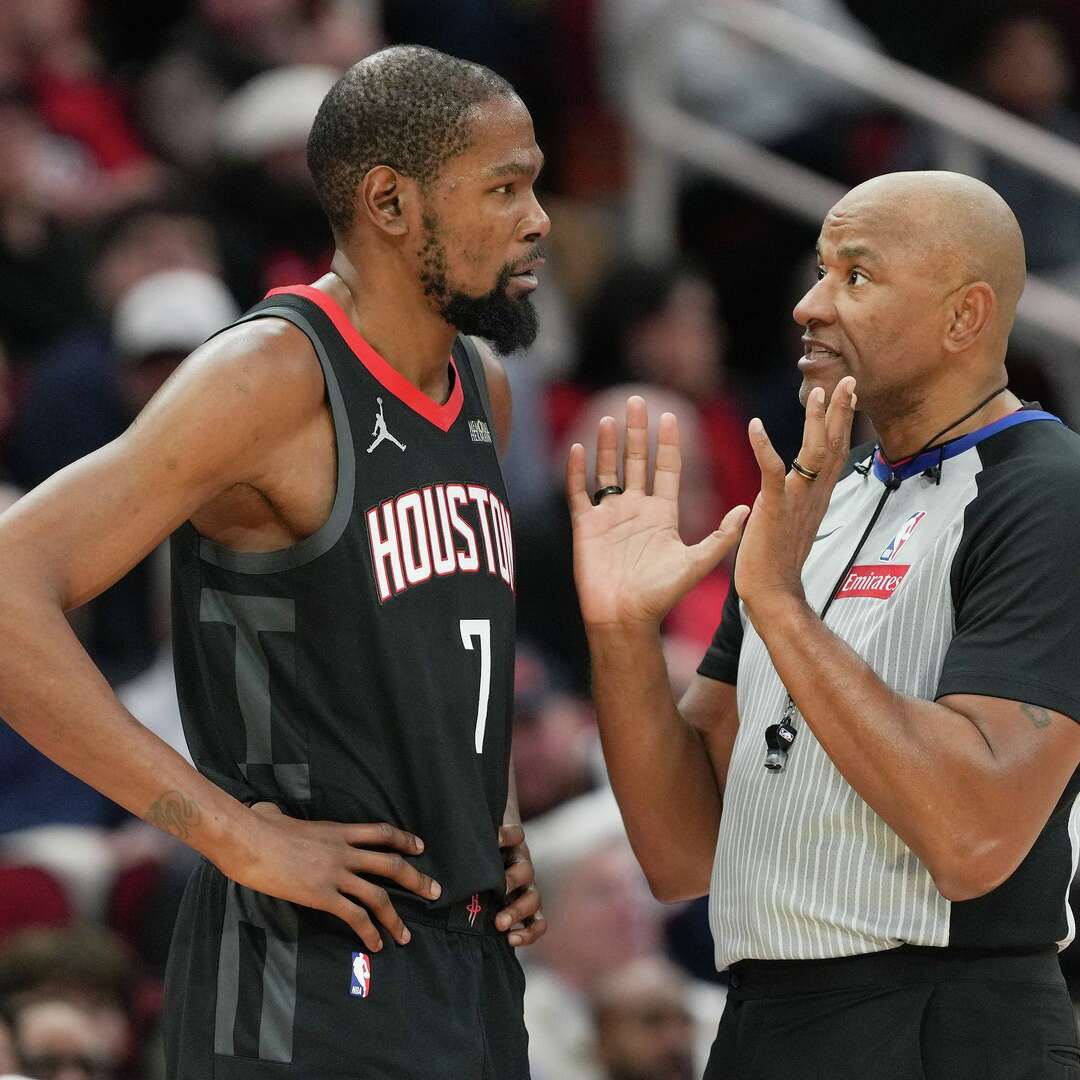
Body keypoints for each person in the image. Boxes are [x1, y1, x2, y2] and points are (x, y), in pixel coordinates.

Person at [0, 45, 549, 1079]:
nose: (539, 219)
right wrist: (230, 836)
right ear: (391, 201)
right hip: (300, 971)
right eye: (504, 187)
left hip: (468, 961)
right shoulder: (270, 378)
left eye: (536, 184)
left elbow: (438, 646)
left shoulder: (484, 387)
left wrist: (497, 808)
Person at [568, 170, 1080, 1078]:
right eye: (819, 270)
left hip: (942, 1020)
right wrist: (621, 634)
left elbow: (976, 837)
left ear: (964, 316)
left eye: (856, 276)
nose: (809, 304)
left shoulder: (1046, 490)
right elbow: (682, 853)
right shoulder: (822, 502)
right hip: (766, 1015)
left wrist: (778, 603)